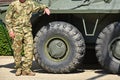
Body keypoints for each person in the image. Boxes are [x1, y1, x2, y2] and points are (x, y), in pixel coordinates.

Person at [5, 0, 50, 76]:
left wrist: (45, 8)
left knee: (29, 49)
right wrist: (10, 31)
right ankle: (18, 68)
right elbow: (7, 19)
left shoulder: (30, 3)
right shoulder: (13, 5)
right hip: (17, 31)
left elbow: (38, 6)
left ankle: (26, 69)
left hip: (27, 30)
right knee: (17, 50)